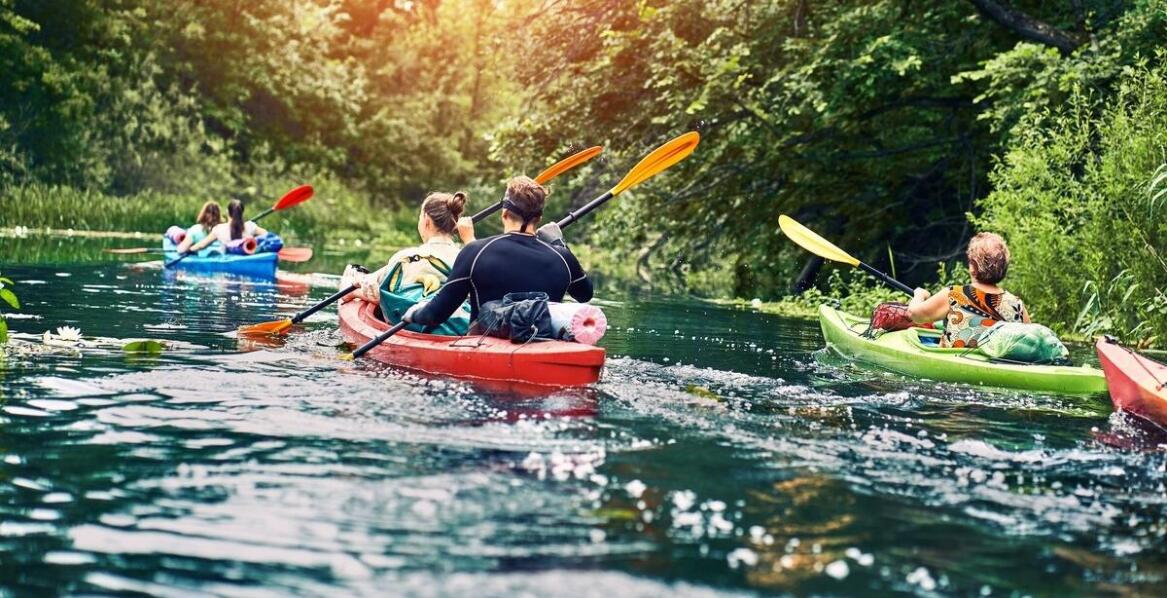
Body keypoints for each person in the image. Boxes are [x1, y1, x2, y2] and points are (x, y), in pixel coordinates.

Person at [402, 176, 593, 330]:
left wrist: (413, 313)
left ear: (504, 214)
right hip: (543, 343)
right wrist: (559, 244)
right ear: (539, 218)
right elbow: (585, 295)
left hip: (484, 348)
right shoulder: (562, 257)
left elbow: (434, 316)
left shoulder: (476, 251)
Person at [339, 191, 475, 303]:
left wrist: (354, 291)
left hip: (414, 323)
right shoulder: (469, 259)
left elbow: (375, 290)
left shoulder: (407, 258)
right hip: (457, 327)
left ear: (427, 220)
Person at [908, 232, 1031, 348]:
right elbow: (1030, 343)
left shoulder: (954, 295)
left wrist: (919, 294)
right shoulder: (1017, 305)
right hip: (999, 367)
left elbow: (914, 315)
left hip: (954, 365)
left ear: (973, 267)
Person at [184, 199, 268, 253]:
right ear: (242, 212)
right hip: (248, 256)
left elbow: (202, 245)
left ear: (227, 212)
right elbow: (267, 235)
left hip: (228, 263)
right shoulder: (251, 226)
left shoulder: (219, 229)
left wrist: (190, 250)